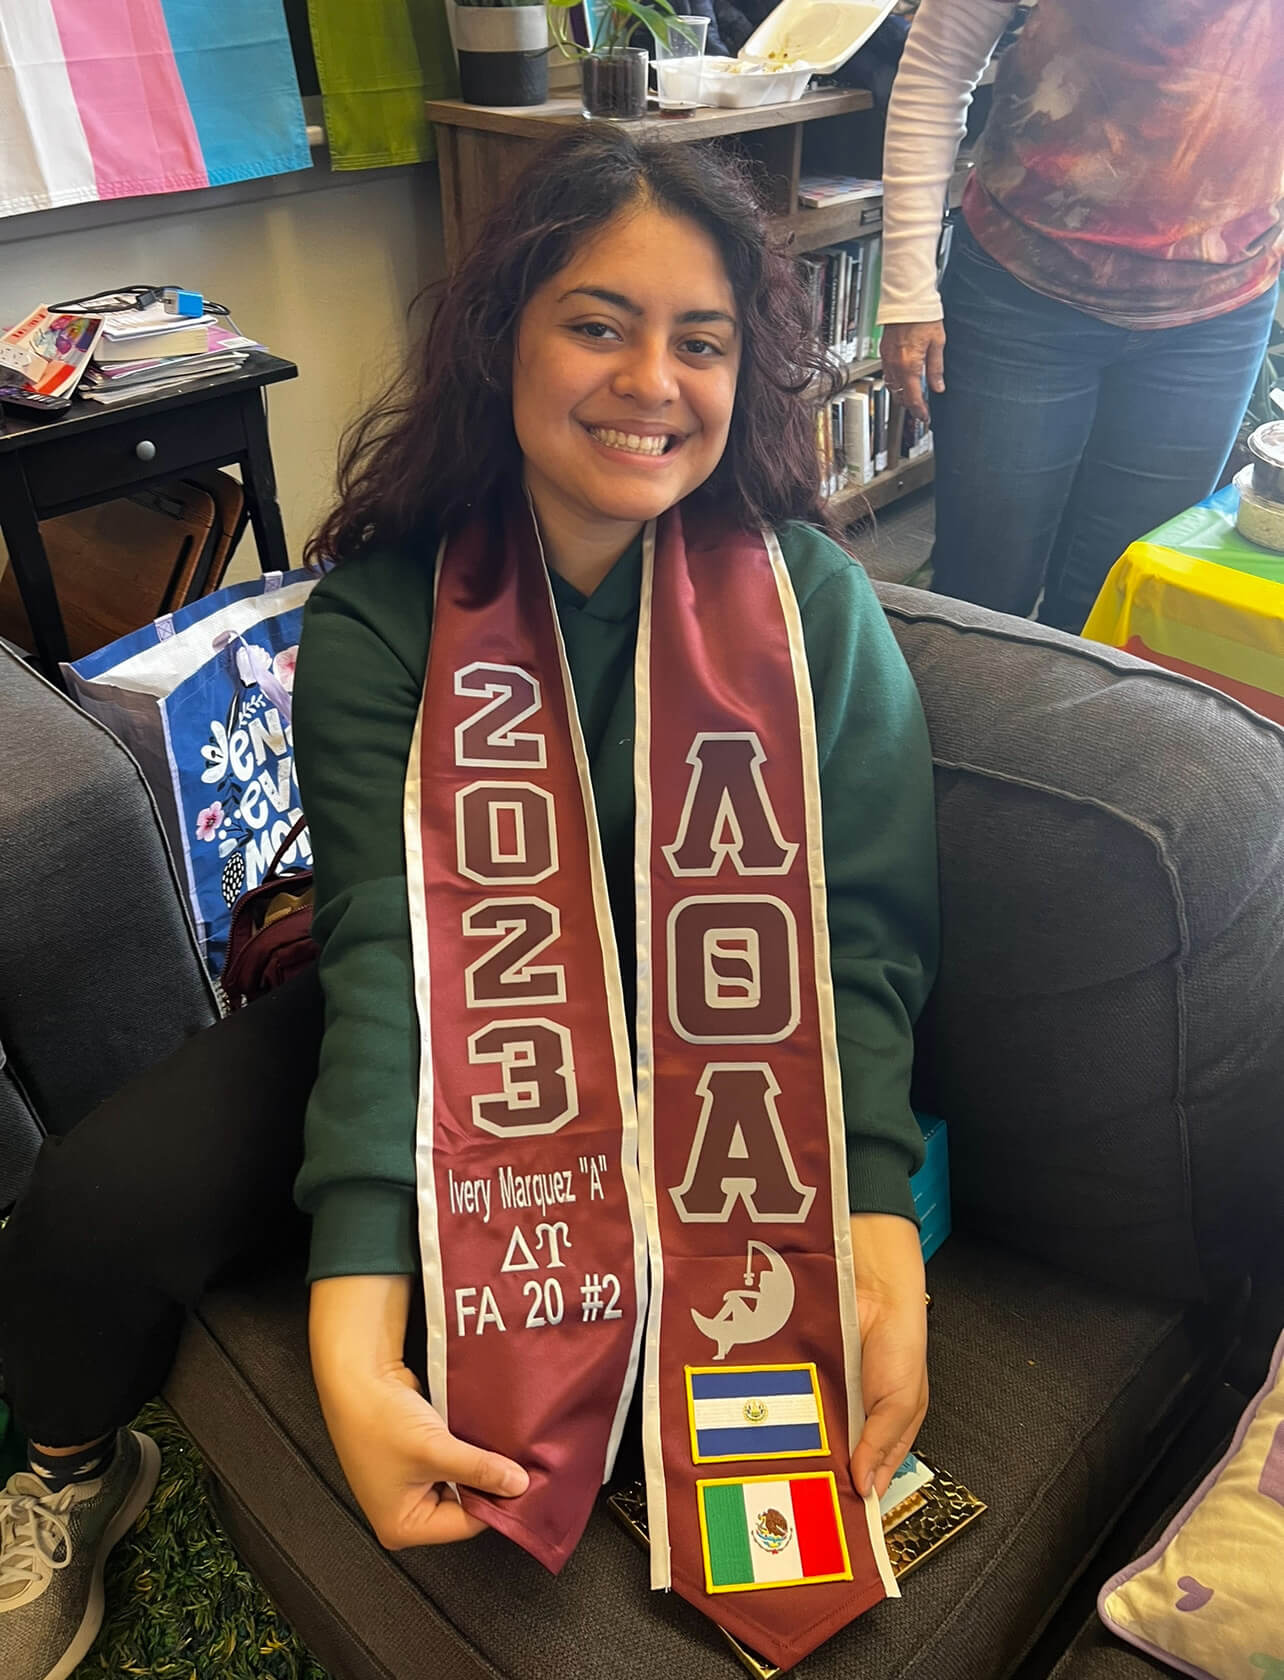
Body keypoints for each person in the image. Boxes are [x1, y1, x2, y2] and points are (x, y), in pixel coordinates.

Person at [0, 129, 938, 1679]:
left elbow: (867, 940)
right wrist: (355, 1331)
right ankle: (72, 1471)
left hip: (736, 1049)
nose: (652, 378)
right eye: (596, 321)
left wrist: (878, 1226)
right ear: (501, 336)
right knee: (94, 1203)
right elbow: (391, 962)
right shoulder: (381, 621)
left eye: (699, 340)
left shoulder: (808, 605)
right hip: (464, 1002)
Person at [879, 0, 1284, 632]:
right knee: (981, 591)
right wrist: (906, 292)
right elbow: (937, 66)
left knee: (1122, 602)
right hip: (1022, 293)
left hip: (1215, 313)